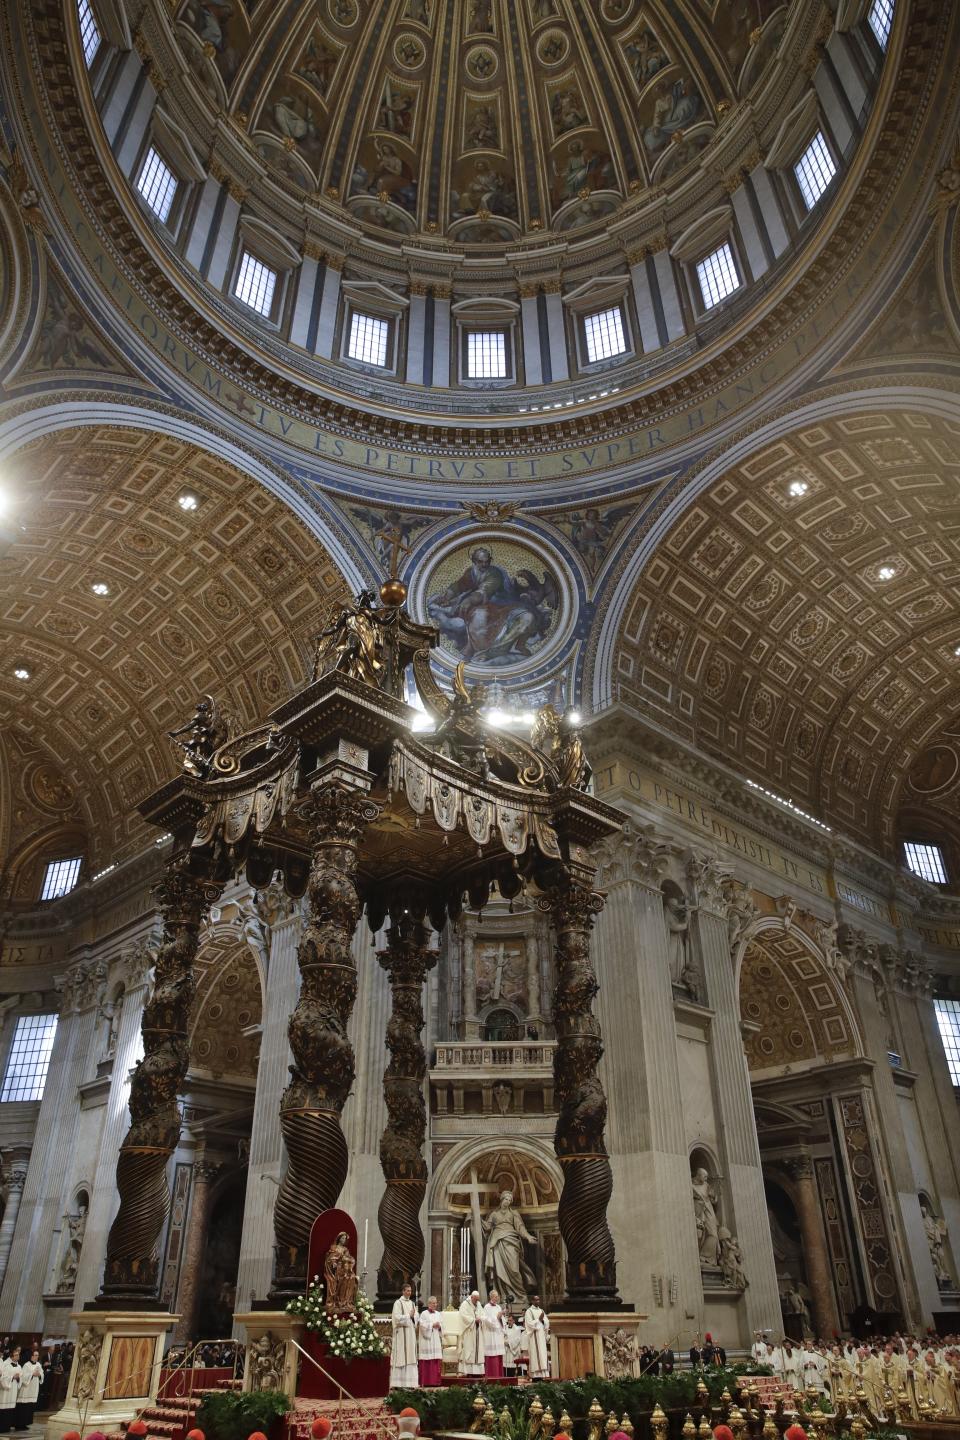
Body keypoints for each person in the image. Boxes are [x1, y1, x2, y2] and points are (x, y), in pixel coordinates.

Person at [390, 1283, 418, 1389]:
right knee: (402, 1356)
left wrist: (414, 1316)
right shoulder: (398, 1303)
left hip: (410, 1334)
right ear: (403, 1291)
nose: (409, 1293)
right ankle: (398, 1383)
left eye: (410, 1291)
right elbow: (396, 1318)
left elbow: (415, 1317)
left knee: (410, 1356)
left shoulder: (412, 1303)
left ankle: (410, 1383)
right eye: (407, 1290)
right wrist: (408, 1316)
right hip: (401, 1334)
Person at [417, 1296, 443, 1387]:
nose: (435, 1304)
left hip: (435, 1338)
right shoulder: (424, 1313)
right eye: (433, 1303)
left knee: (435, 1360)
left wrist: (440, 1326)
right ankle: (426, 1381)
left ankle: (435, 1381)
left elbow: (442, 1325)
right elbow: (422, 1326)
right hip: (427, 1340)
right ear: (429, 1304)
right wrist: (432, 1325)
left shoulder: (439, 1314)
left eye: (436, 1303)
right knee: (426, 1359)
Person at [458, 1291, 485, 1377]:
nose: (477, 1302)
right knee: (469, 1350)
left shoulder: (479, 1304)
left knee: (478, 1350)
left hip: (478, 1330)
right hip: (469, 1331)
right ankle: (468, 1371)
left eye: (478, 1300)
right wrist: (473, 1320)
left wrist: (481, 1319)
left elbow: (483, 1314)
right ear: (472, 1297)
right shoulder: (464, 1305)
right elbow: (463, 1316)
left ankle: (478, 1372)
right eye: (475, 1300)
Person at [15, 1351, 43, 1432]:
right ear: (31, 1356)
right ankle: (19, 1424)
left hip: (33, 1390)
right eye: (35, 1355)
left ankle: (25, 1423)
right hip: (26, 1390)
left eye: (38, 1355)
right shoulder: (26, 1365)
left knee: (30, 1408)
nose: (37, 1357)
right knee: (24, 1407)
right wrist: (32, 1374)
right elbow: (23, 1377)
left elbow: (42, 1374)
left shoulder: (38, 1364)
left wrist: (40, 1375)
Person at [524, 1294, 550, 1379]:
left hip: (541, 1337)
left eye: (538, 1300)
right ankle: (536, 1376)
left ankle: (543, 1375)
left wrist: (543, 1321)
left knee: (542, 1355)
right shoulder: (529, 1311)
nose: (538, 1301)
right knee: (536, 1356)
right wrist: (538, 1320)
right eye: (536, 1300)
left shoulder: (541, 1310)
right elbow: (529, 1324)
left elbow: (546, 1322)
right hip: (534, 1337)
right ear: (532, 1301)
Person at [482, 1289, 505, 1379]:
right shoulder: (486, 1307)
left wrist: (501, 1318)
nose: (497, 1298)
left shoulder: (498, 1307)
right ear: (491, 1297)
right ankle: (492, 1377)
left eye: (498, 1296)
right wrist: (497, 1318)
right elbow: (487, 1321)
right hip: (491, 1335)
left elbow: (502, 1321)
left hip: (498, 1335)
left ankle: (500, 1376)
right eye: (495, 1296)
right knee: (492, 1356)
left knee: (498, 1355)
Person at [0, 1348, 21, 1434]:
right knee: (3, 1409)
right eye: (16, 1355)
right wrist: (12, 1377)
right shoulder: (5, 1365)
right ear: (11, 1356)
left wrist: (19, 1378)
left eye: (18, 1355)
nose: (18, 1356)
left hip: (14, 1389)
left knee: (10, 1409)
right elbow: (2, 1378)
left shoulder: (19, 1366)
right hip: (5, 1391)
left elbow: (21, 1377)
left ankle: (7, 1426)